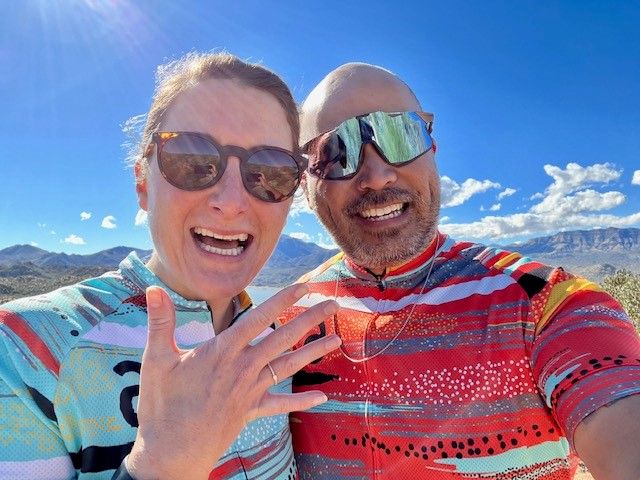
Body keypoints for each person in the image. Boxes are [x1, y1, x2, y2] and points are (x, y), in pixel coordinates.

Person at [281, 63, 640, 480]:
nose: (377, 176)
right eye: (335, 151)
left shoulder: (542, 303)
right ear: (305, 182)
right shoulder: (283, 323)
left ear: (432, 147)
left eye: (401, 134)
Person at [0, 52, 341, 480]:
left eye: (270, 172)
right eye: (193, 161)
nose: (232, 201)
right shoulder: (27, 350)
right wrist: (162, 465)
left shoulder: (275, 341)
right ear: (143, 184)